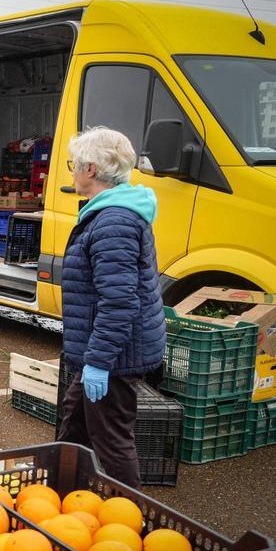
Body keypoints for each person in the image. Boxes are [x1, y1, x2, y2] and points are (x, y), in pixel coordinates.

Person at [59, 126, 166, 488]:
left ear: (90, 169)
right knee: (75, 421)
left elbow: (119, 302)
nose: (72, 171)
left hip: (115, 355)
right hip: (102, 350)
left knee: (111, 439)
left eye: (74, 164)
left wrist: (100, 363)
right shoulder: (108, 213)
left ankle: (132, 510)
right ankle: (62, 491)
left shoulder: (114, 222)